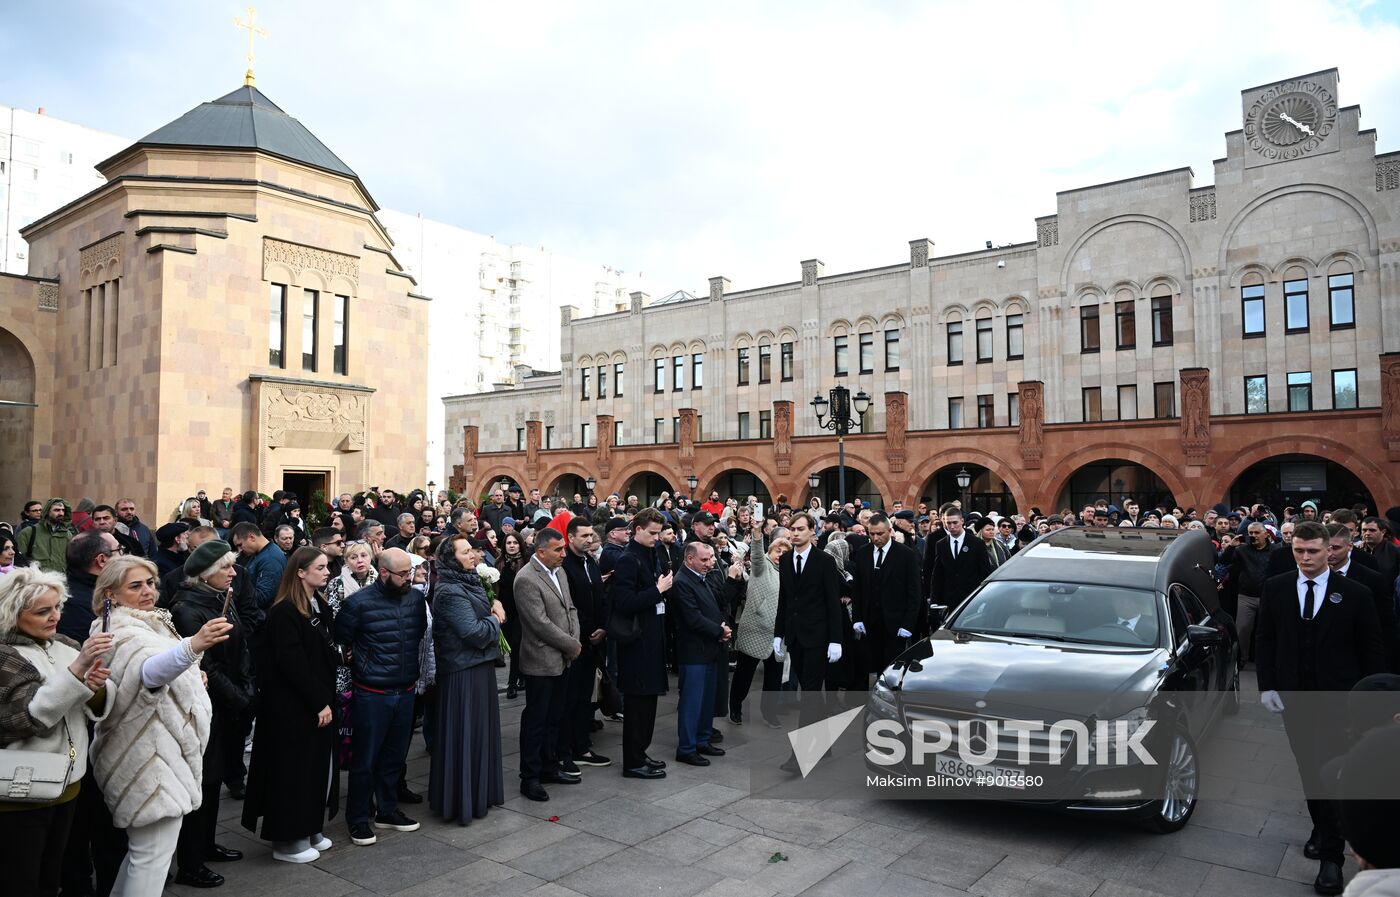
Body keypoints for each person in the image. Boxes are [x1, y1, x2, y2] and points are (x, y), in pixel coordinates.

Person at [88, 555, 230, 897]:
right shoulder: (120, 631)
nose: (148, 591)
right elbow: (148, 673)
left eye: (150, 583)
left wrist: (193, 676)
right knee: (151, 857)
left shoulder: (137, 623)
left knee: (145, 855)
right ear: (111, 594)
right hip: (148, 759)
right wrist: (194, 645)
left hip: (155, 753)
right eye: (135, 586)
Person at [1256, 521, 1386, 896]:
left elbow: (1372, 650)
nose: (1306, 558)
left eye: (1313, 551)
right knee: (1309, 769)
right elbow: (1265, 639)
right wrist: (1268, 686)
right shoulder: (1277, 588)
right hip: (1296, 701)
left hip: (1341, 703)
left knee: (1335, 771)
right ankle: (1321, 826)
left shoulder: (1357, 593)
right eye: (1299, 551)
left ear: (1329, 550)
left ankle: (1333, 857)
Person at [0, 568, 113, 897]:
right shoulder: (6, 656)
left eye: (57, 606)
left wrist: (97, 687)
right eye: (43, 611)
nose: (55, 617)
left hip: (68, 785)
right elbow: (27, 716)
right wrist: (77, 673)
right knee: (19, 881)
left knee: (52, 877)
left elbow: (91, 707)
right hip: (19, 791)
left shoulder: (65, 645)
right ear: (11, 612)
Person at [242, 547, 339, 863]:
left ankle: (310, 828)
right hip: (292, 706)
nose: (327, 572)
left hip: (316, 699)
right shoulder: (284, 611)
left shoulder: (318, 604)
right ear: (300, 571)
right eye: (321, 567)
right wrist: (318, 702)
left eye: (327, 567)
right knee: (292, 772)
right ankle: (288, 841)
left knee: (314, 769)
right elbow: (292, 663)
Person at [169, 540, 251, 887]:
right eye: (226, 568)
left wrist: (247, 687)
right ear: (205, 575)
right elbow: (205, 665)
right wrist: (239, 697)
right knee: (201, 781)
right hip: (209, 705)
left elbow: (240, 646)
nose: (234, 573)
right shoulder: (188, 608)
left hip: (228, 703)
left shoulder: (220, 598)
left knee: (214, 779)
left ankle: (205, 844)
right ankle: (190, 861)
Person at [334, 547, 427, 846]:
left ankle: (387, 810)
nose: (409, 578)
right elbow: (341, 642)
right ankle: (358, 818)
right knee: (365, 760)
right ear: (383, 572)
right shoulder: (357, 604)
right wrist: (363, 663)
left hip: (406, 690)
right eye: (403, 574)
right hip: (372, 693)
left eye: (410, 572)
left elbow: (419, 634)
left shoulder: (415, 598)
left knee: (394, 757)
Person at [429, 533, 506, 823]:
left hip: (479, 667)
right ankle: (461, 800)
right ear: (450, 559)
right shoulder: (449, 591)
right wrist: (496, 618)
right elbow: (473, 633)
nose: (472, 556)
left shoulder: (469, 581)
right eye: (464, 553)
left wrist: (492, 604)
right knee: (465, 735)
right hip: (463, 671)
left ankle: (479, 794)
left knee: (480, 734)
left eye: (472, 551)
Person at [512, 528, 581, 801]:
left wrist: (575, 638)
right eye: (558, 550)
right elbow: (539, 623)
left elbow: (570, 608)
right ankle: (529, 776)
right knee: (536, 720)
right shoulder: (526, 579)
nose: (563, 554)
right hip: (541, 661)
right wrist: (570, 644)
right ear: (541, 552)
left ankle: (549, 766)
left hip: (563, 658)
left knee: (556, 717)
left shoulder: (560, 571)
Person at [773, 512, 844, 773]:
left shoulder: (824, 561)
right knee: (812, 693)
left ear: (812, 531)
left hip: (819, 638)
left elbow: (832, 601)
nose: (794, 533)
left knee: (810, 694)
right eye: (792, 529)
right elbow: (785, 599)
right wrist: (778, 634)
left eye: (801, 529)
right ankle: (824, 746)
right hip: (795, 637)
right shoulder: (787, 559)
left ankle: (800, 755)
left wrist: (836, 640)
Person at [607, 509, 674, 779]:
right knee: (637, 705)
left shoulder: (650, 553)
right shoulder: (627, 559)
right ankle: (632, 761)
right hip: (636, 644)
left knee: (648, 703)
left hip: (651, 638)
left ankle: (640, 752)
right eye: (652, 533)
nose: (656, 539)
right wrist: (657, 591)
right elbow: (624, 602)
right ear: (637, 530)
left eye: (659, 533)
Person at [672, 541, 731, 766]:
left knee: (707, 700)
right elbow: (692, 618)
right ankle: (686, 748)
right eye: (704, 560)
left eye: (710, 559)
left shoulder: (700, 577)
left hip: (710, 649)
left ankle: (702, 740)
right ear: (689, 559)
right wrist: (719, 630)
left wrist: (721, 627)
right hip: (694, 652)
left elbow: (711, 608)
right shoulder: (682, 582)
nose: (709, 564)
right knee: (692, 703)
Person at [558, 517, 609, 768]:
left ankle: (582, 746)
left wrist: (603, 627)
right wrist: (590, 629)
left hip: (594, 640)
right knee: (571, 699)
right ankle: (566, 750)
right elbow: (571, 605)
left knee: (584, 699)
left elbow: (599, 595)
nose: (589, 540)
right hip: (575, 641)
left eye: (591, 535)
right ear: (570, 538)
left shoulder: (590, 561)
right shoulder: (565, 564)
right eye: (584, 536)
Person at [730, 518, 787, 727]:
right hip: (755, 629)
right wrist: (756, 535)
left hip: (778, 634)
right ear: (770, 552)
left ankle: (769, 713)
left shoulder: (790, 573)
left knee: (774, 679)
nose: (781, 556)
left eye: (784, 553)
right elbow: (756, 554)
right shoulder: (761, 566)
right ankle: (735, 706)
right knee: (744, 675)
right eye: (777, 551)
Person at [851, 513, 923, 677]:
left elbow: (914, 592)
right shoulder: (863, 553)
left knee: (893, 670)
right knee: (873, 668)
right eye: (872, 533)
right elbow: (858, 589)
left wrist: (908, 624)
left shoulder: (906, 554)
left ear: (890, 531)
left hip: (896, 624)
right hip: (870, 623)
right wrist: (857, 618)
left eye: (880, 533)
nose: (875, 538)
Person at [925, 504, 993, 614]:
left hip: (971, 599)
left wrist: (984, 599)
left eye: (955, 522)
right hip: (949, 600)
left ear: (962, 521)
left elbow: (985, 573)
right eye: (948, 523)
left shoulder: (976, 543)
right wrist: (934, 601)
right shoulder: (941, 544)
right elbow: (937, 574)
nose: (951, 526)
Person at [497, 532, 529, 699]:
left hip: (521, 611)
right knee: (512, 647)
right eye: (508, 543)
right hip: (505, 611)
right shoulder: (499, 563)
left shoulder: (525, 562)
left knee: (517, 645)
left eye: (515, 543)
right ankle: (522, 676)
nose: (511, 545)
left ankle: (512, 683)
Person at [230, 522, 286, 612]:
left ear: (252, 537)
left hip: (266, 617)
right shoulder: (261, 553)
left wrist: (237, 592)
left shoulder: (270, 558)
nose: (240, 550)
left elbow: (262, 598)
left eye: (240, 545)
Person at [17, 498, 75, 574]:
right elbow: (20, 560)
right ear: (47, 512)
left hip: (60, 580)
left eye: (63, 510)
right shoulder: (28, 532)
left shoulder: (67, 534)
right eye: (57, 510)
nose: (61, 513)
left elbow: (72, 560)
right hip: (37, 580)